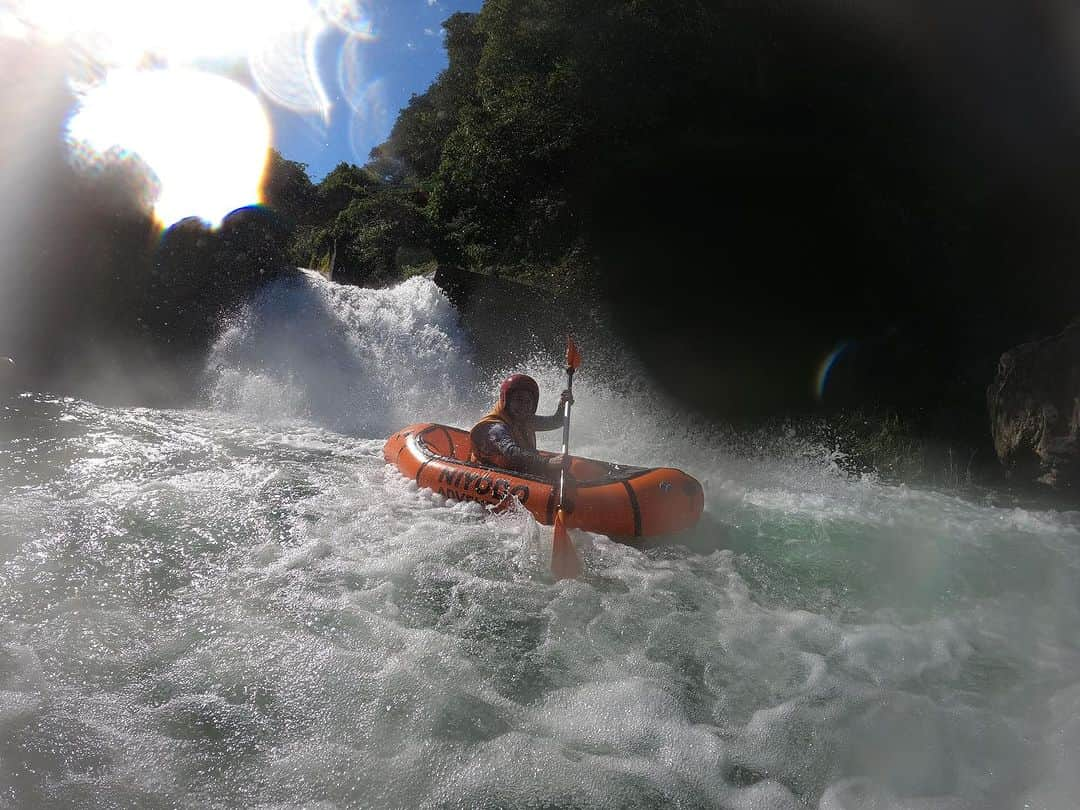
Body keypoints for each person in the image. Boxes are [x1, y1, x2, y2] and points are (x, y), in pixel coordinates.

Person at [470, 373, 574, 478]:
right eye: (518, 400)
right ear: (506, 401)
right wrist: (547, 462)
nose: (523, 406)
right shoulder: (496, 428)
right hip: (491, 474)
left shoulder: (526, 419)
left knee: (563, 474)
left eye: (528, 402)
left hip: (515, 469)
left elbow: (556, 422)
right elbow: (512, 453)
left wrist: (562, 406)